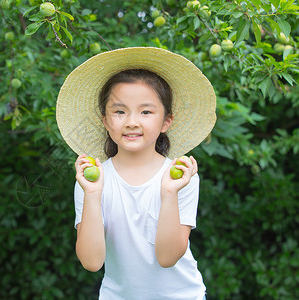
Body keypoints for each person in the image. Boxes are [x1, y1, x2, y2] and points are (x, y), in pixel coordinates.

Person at [56, 47, 216, 300]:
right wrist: (93, 195)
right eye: (120, 111)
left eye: (146, 112)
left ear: (166, 121)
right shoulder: (91, 180)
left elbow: (167, 257)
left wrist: (169, 193)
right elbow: (91, 261)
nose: (132, 121)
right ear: (105, 120)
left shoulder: (181, 178)